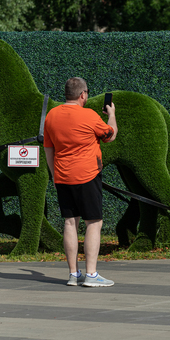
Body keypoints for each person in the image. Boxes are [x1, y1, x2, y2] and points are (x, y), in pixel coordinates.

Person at [44, 77, 118, 287]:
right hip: (87, 175)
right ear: (83, 94)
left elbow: (49, 150)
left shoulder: (51, 116)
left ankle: (73, 274)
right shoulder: (89, 115)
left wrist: (55, 176)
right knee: (94, 223)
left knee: (70, 222)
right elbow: (110, 135)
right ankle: (92, 275)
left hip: (62, 177)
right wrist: (111, 115)